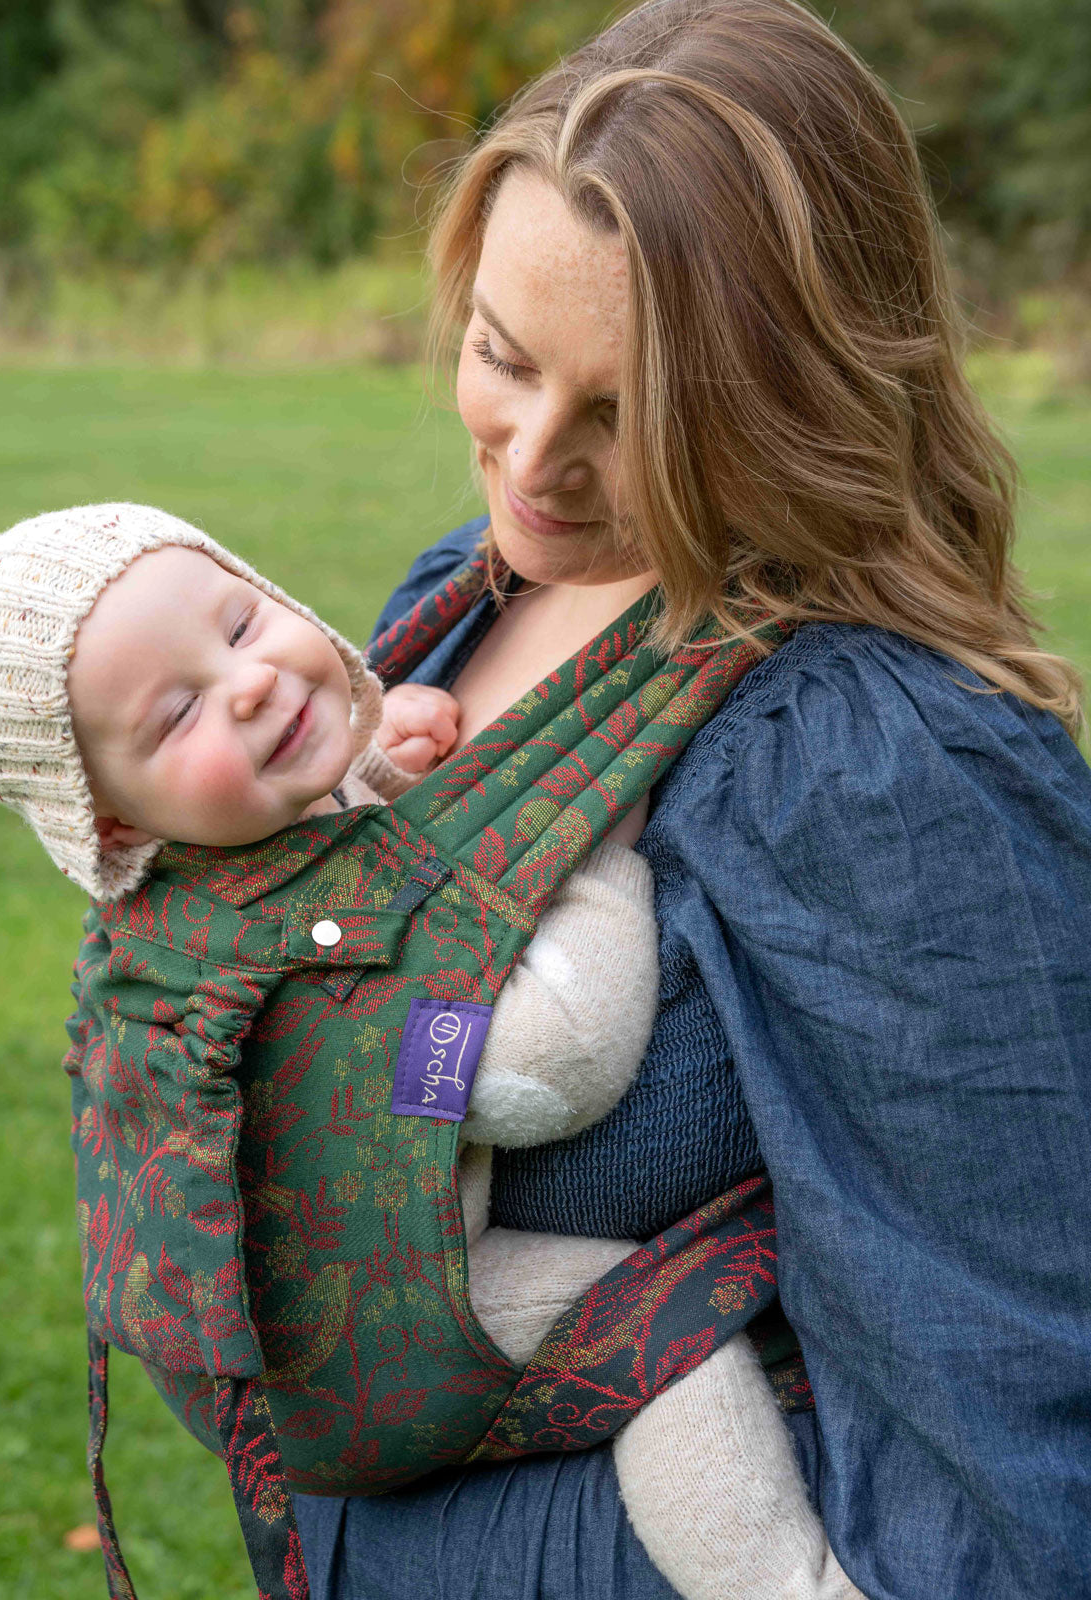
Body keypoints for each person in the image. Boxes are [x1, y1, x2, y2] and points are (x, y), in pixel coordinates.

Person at [285, 2, 1091, 1598]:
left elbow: (1015, 1377)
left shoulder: (874, 754)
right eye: (501, 356)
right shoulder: (450, 608)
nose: (530, 461)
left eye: (631, 414)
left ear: (793, 394)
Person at [0, 500, 865, 1598]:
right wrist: (585, 839)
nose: (253, 683)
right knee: (661, 1347)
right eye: (179, 714)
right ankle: (788, 1582)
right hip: (355, 1332)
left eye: (239, 625)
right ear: (115, 828)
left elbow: (370, 860)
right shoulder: (234, 956)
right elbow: (541, 1069)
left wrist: (385, 756)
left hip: (322, 1312)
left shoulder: (261, 835)